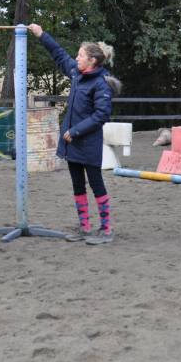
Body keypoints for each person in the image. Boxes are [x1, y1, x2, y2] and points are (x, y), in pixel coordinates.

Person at [27, 23, 121, 244]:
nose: (76, 58)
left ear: (92, 61)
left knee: (96, 184)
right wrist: (41, 35)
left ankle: (106, 229)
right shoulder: (77, 74)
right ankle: (85, 227)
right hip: (72, 143)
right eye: (77, 55)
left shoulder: (101, 84)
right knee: (77, 185)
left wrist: (76, 131)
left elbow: (101, 116)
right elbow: (59, 54)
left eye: (80, 55)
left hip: (87, 143)